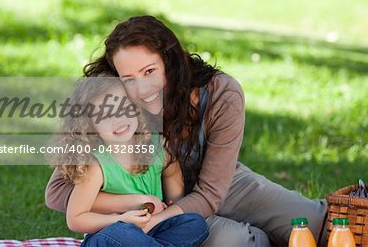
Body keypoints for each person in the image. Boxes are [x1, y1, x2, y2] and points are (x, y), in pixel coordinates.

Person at [46, 15, 328, 246]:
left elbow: (211, 192)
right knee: (234, 241)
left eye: (149, 71)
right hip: (153, 202)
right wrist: (139, 206)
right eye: (128, 79)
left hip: (218, 184)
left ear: (170, 60)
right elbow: (58, 192)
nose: (141, 90)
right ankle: (262, 240)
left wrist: (159, 221)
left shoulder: (221, 93)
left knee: (314, 223)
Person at [53, 76, 209, 246]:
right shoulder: (97, 165)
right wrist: (120, 219)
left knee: (194, 223)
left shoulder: (156, 148)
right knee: (126, 233)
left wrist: (174, 204)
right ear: (90, 128)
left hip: (151, 230)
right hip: (110, 234)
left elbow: (172, 172)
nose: (118, 120)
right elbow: (75, 219)